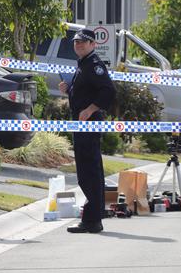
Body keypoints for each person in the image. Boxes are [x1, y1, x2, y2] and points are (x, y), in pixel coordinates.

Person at [59, 28, 115, 233]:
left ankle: (91, 220)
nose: (78, 45)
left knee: (88, 171)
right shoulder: (83, 64)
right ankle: (94, 217)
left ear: (93, 44)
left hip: (88, 124)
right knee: (87, 170)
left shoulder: (93, 65)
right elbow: (86, 90)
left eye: (83, 42)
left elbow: (108, 91)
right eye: (76, 42)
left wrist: (90, 109)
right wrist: (69, 89)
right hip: (82, 123)